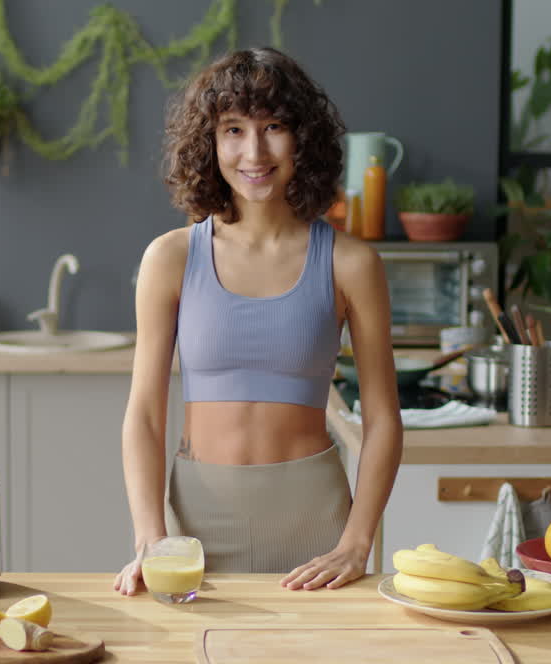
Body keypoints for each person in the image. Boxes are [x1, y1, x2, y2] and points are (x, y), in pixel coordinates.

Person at [114, 48, 402, 595]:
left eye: (273, 127)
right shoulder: (170, 258)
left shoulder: (351, 264)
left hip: (316, 522)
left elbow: (383, 418)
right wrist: (150, 537)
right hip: (195, 520)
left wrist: (357, 542)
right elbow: (145, 415)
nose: (254, 151)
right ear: (210, 143)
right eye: (233, 130)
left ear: (304, 140)